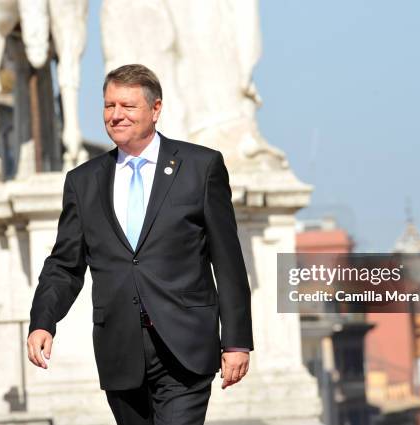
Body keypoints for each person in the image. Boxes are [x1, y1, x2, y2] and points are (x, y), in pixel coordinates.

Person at [26, 64, 254, 425]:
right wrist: (43, 321)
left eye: (128, 106)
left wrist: (237, 341)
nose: (116, 115)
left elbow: (227, 261)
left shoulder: (200, 167)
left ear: (156, 109)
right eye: (109, 106)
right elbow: (65, 265)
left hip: (185, 346)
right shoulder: (83, 182)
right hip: (119, 348)